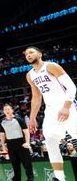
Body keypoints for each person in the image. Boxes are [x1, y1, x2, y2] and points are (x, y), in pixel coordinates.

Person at [24, 46, 77, 181]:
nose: (28, 55)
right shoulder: (30, 75)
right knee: (50, 141)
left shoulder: (51, 66)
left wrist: (66, 107)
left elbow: (71, 87)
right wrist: (32, 118)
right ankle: (60, 178)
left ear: (40, 54)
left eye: (31, 52)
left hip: (66, 105)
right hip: (50, 110)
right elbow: (36, 97)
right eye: (26, 54)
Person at [0, 103, 33, 181]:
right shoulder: (2, 122)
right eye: (5, 109)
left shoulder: (19, 119)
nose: (7, 111)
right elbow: (2, 134)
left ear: (12, 110)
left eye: (8, 109)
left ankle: (30, 179)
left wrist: (27, 142)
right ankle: (17, 179)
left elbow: (26, 132)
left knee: (27, 163)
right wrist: (3, 145)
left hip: (21, 143)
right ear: (3, 111)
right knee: (15, 164)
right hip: (10, 144)